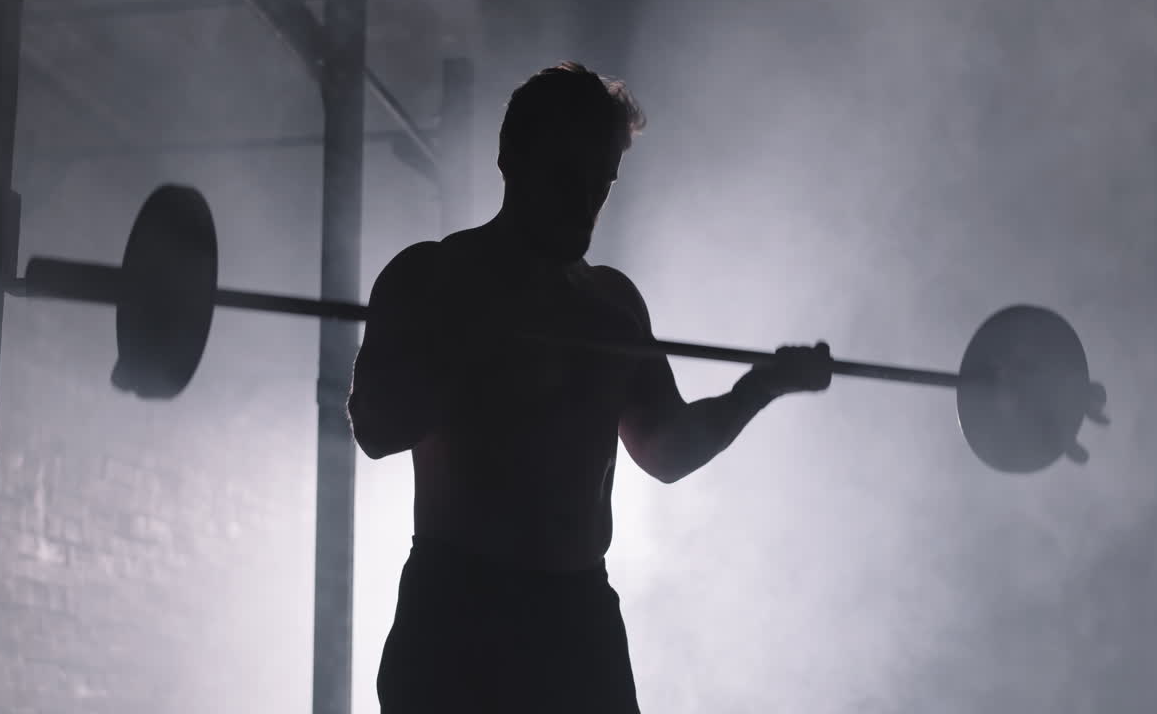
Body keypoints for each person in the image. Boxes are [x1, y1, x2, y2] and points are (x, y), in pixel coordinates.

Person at [348, 62, 833, 714]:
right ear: (511, 159)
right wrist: (471, 341)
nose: (584, 206)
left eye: (600, 186)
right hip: (459, 612)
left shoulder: (612, 306)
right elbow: (377, 431)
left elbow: (665, 450)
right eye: (565, 179)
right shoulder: (431, 277)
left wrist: (764, 385)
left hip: (577, 618)